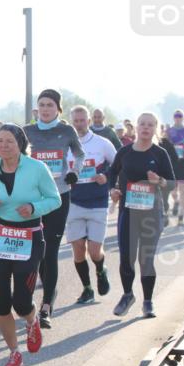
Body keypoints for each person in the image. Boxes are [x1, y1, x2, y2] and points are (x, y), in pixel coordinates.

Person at [0, 124, 60, 366]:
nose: (3, 145)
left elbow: (54, 199)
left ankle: (32, 320)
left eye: (9, 141)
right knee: (2, 301)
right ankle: (14, 352)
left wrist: (34, 208)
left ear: (20, 144)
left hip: (29, 236)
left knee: (21, 302)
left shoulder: (37, 168)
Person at [23, 89, 84, 328]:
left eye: (50, 105)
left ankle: (47, 305)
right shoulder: (27, 132)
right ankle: (47, 290)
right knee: (36, 252)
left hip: (58, 196)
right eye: (42, 105)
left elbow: (80, 155)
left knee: (50, 251)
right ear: (37, 109)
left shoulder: (66, 131)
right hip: (32, 199)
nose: (46, 109)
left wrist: (73, 172)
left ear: (58, 109)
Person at [108, 112, 176, 318]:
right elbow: (112, 172)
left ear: (156, 129)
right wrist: (113, 189)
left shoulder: (160, 153)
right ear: (136, 127)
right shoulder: (125, 151)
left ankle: (148, 301)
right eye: (142, 124)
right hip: (128, 212)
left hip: (151, 213)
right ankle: (128, 295)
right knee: (126, 258)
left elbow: (171, 183)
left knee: (146, 259)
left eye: (150, 125)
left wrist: (159, 181)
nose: (145, 128)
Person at [66, 106, 116, 304]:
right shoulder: (66, 145)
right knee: (78, 249)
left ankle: (100, 269)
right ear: (71, 121)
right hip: (73, 201)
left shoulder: (102, 143)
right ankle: (87, 288)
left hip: (97, 201)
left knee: (94, 251)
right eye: (75, 121)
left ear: (89, 120)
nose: (79, 124)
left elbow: (118, 164)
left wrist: (106, 176)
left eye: (82, 120)